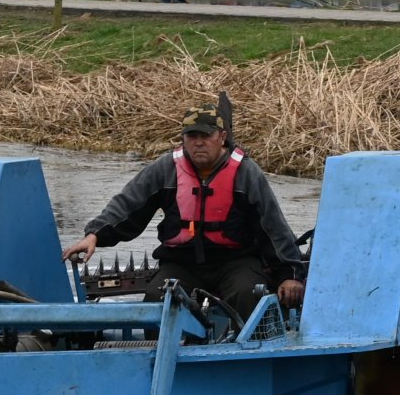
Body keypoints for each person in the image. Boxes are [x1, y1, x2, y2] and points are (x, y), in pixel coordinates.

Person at [61, 103, 305, 322]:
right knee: (159, 298)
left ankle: (247, 361)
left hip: (236, 261)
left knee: (249, 294)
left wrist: (290, 274)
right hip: (182, 263)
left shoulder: (246, 173)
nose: (199, 142)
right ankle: (161, 362)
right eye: (192, 136)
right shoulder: (165, 169)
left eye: (206, 136)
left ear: (222, 137)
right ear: (183, 139)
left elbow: (272, 226)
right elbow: (128, 205)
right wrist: (94, 234)